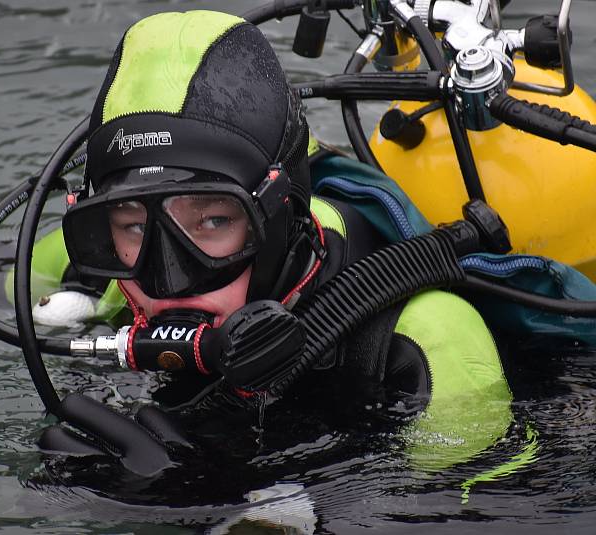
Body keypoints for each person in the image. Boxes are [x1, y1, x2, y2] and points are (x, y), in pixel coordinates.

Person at [35, 9, 513, 478]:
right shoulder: (112, 274)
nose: (168, 280)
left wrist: (205, 493)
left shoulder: (422, 339)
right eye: (134, 226)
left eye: (214, 221)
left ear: (279, 216)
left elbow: (475, 513)